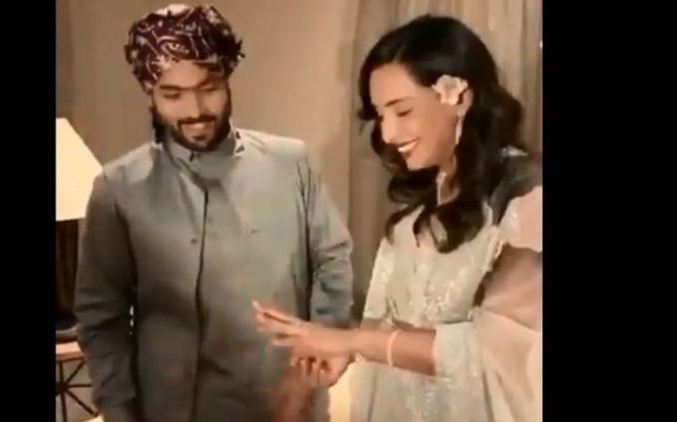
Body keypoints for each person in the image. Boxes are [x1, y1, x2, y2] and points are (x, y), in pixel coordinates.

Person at [255, 14, 541, 422]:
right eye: (379, 115)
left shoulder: (528, 200)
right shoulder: (409, 226)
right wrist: (341, 354)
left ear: (460, 97)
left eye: (402, 111)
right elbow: (382, 334)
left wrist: (352, 341)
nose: (387, 134)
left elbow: (498, 353)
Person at [73, 4, 353, 422]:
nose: (195, 109)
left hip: (282, 406)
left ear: (228, 78)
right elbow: (101, 316)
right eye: (172, 94)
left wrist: (310, 367)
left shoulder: (289, 163)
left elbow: (332, 263)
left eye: (209, 87)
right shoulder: (118, 189)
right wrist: (118, 409)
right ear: (149, 92)